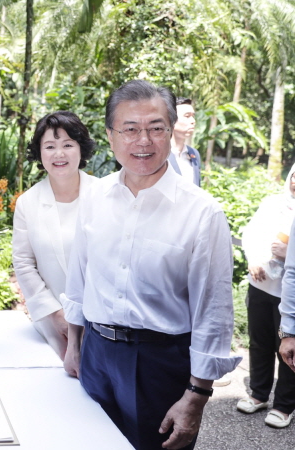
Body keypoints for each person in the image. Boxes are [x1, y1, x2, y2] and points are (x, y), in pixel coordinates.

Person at [63, 80, 240, 450]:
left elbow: (214, 310)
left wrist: (196, 395)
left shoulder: (201, 212)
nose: (143, 141)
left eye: (156, 128)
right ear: (111, 136)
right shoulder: (94, 196)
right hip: (96, 355)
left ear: (170, 130)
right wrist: (74, 343)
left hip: (159, 364)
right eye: (129, 129)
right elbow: (80, 275)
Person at [12, 111, 96, 360]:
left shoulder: (106, 194)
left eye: (68, 144)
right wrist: (58, 316)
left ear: (81, 149)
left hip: (104, 321)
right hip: (53, 323)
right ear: (40, 154)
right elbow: (24, 263)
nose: (59, 154)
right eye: (50, 146)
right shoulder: (28, 202)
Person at [239, 165, 295, 428]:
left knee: (288, 348)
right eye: (294, 175)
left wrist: (289, 253)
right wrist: (253, 259)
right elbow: (251, 233)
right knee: (259, 341)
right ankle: (259, 393)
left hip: (290, 293)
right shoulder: (273, 203)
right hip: (262, 286)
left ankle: (285, 405)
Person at [168, 97, 201, 186]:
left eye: (193, 116)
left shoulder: (194, 154)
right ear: (171, 120)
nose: (193, 121)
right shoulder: (158, 155)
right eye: (187, 116)